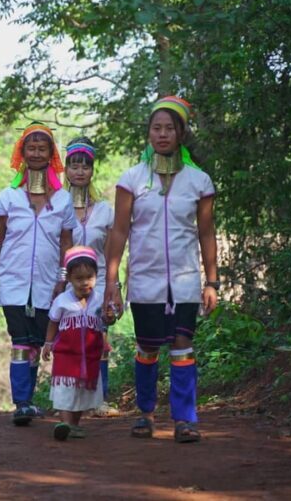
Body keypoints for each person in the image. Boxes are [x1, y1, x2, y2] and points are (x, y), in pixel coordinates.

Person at [104, 96, 219, 443]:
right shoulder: (132, 179)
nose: (163, 134)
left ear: (181, 133)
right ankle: (146, 413)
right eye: (157, 128)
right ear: (149, 133)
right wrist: (112, 281)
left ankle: (185, 419)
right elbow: (120, 231)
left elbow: (207, 232)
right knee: (148, 347)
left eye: (170, 128)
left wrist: (212, 280)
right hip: (145, 280)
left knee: (183, 345)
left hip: (184, 281)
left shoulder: (199, 181)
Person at [0, 122, 77, 426]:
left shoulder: (63, 200)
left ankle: (28, 400)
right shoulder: (8, 196)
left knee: (37, 340)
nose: (36, 153)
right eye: (31, 148)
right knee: (19, 338)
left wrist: (64, 280)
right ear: (22, 153)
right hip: (12, 279)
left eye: (42, 148)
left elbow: (67, 244)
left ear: (51, 155)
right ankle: (21, 402)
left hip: (49, 282)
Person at [63, 138, 116, 412]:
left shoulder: (105, 210)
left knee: (98, 341)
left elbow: (111, 253)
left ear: (92, 170)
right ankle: (70, 401)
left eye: (85, 166)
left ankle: (99, 399)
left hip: (99, 286)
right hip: (67, 288)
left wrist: (112, 288)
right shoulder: (57, 206)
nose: (80, 171)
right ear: (66, 169)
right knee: (71, 341)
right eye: (74, 165)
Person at [43, 246, 113, 440]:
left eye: (89, 278)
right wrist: (48, 343)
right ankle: (65, 423)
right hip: (66, 355)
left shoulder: (100, 300)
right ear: (70, 279)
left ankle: (74, 425)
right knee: (66, 391)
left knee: (82, 392)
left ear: (96, 276)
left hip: (90, 355)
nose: (84, 283)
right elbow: (53, 322)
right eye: (78, 279)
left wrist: (110, 317)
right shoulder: (62, 301)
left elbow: (108, 320)